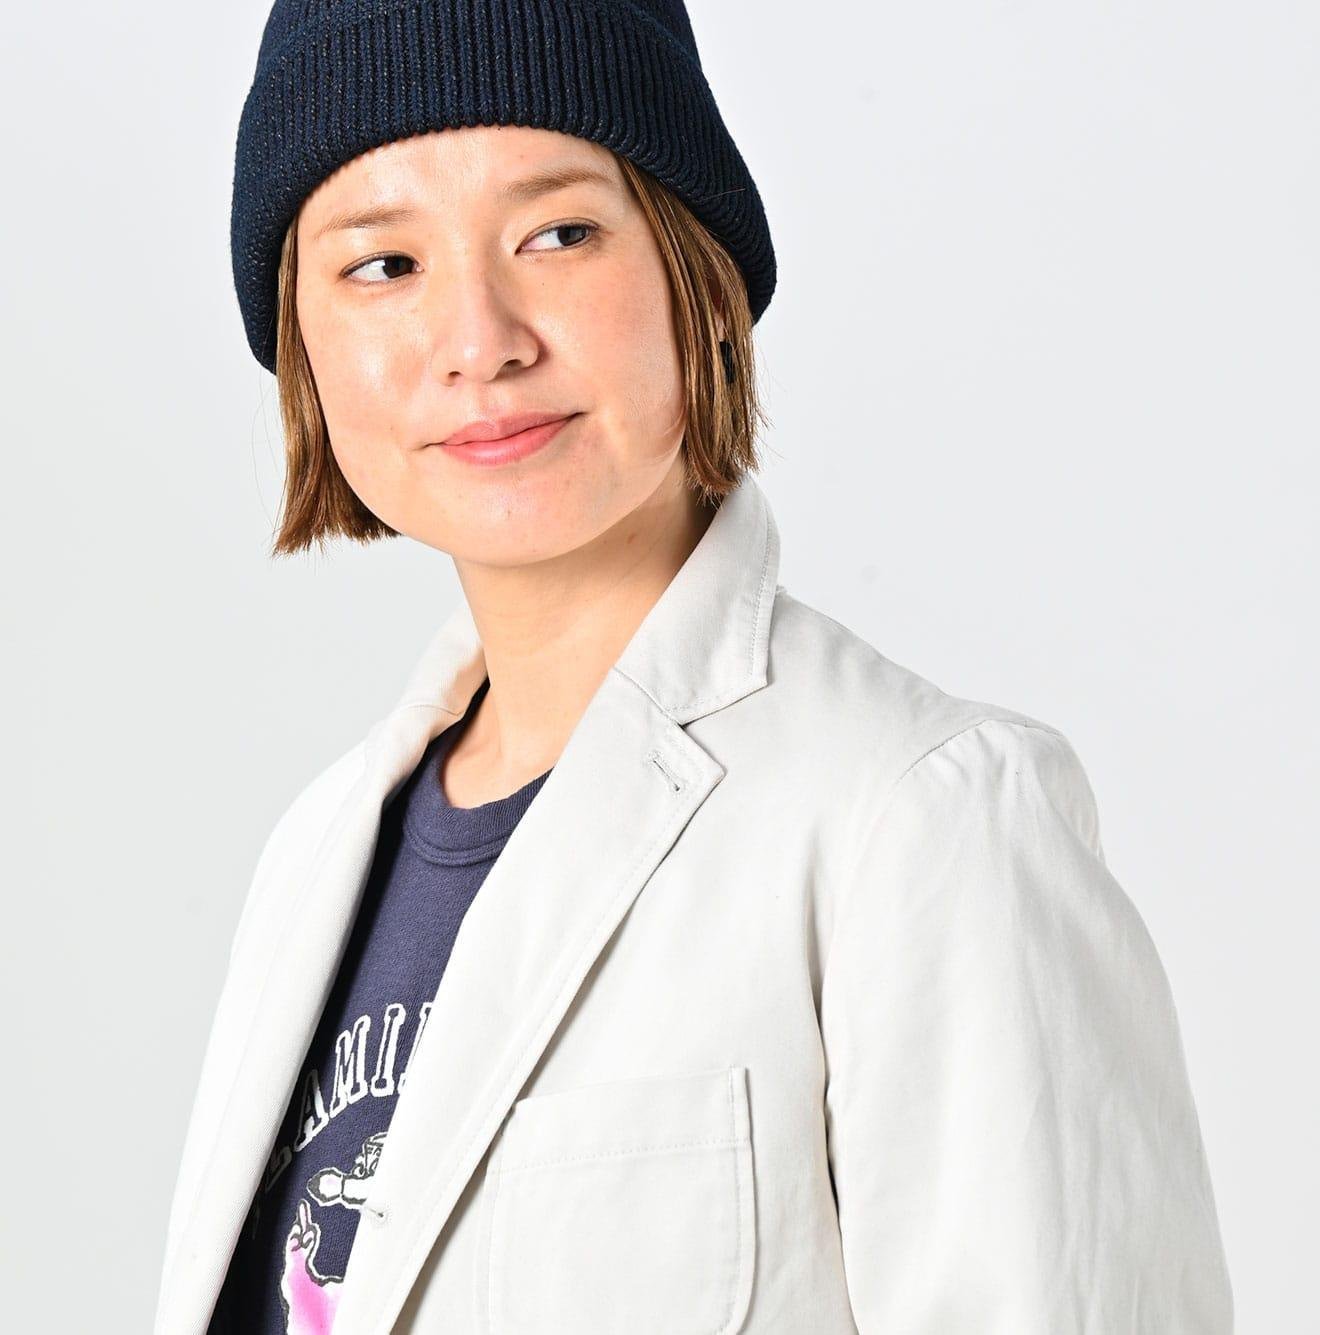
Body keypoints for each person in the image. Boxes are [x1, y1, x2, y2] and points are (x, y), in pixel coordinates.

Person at [155, 3, 1234, 1332]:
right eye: (382, 265)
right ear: (302, 346)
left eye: (559, 233)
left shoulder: (921, 818)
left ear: (693, 267)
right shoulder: (316, 854)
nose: (479, 338)